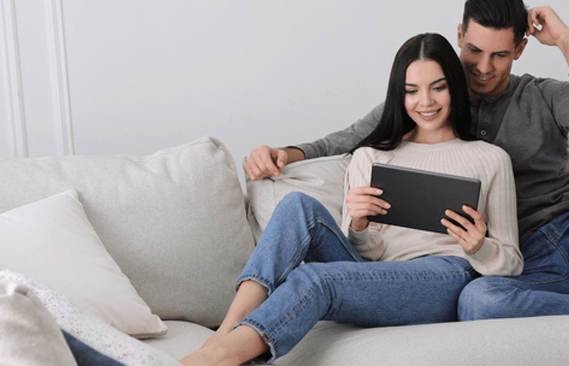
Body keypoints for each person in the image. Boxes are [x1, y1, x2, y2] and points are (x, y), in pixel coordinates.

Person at [244, 0, 569, 343]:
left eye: (501, 55)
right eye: (474, 52)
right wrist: (287, 152)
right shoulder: (432, 97)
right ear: (458, 35)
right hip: (517, 266)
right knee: (477, 303)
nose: (484, 68)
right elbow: (350, 138)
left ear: (521, 50)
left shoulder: (542, 93)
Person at [181, 33, 520, 366]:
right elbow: (365, 255)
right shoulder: (370, 157)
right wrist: (358, 225)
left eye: (438, 87)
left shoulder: (489, 158)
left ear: (454, 88)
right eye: (411, 91)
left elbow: (512, 261)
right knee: (296, 206)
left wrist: (479, 247)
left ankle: (217, 358)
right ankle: (223, 333)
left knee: (315, 278)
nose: (426, 102)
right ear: (398, 95)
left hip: (444, 276)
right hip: (375, 277)